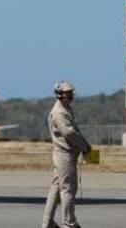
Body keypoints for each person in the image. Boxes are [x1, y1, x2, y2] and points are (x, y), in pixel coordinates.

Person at [41, 80, 92, 228]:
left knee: (56, 188)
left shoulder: (66, 109)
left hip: (67, 154)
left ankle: (47, 222)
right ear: (59, 95)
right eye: (67, 93)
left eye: (71, 93)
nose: (71, 96)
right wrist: (85, 147)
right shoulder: (59, 113)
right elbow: (69, 133)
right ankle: (69, 223)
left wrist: (84, 146)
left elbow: (74, 131)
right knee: (68, 189)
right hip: (65, 155)